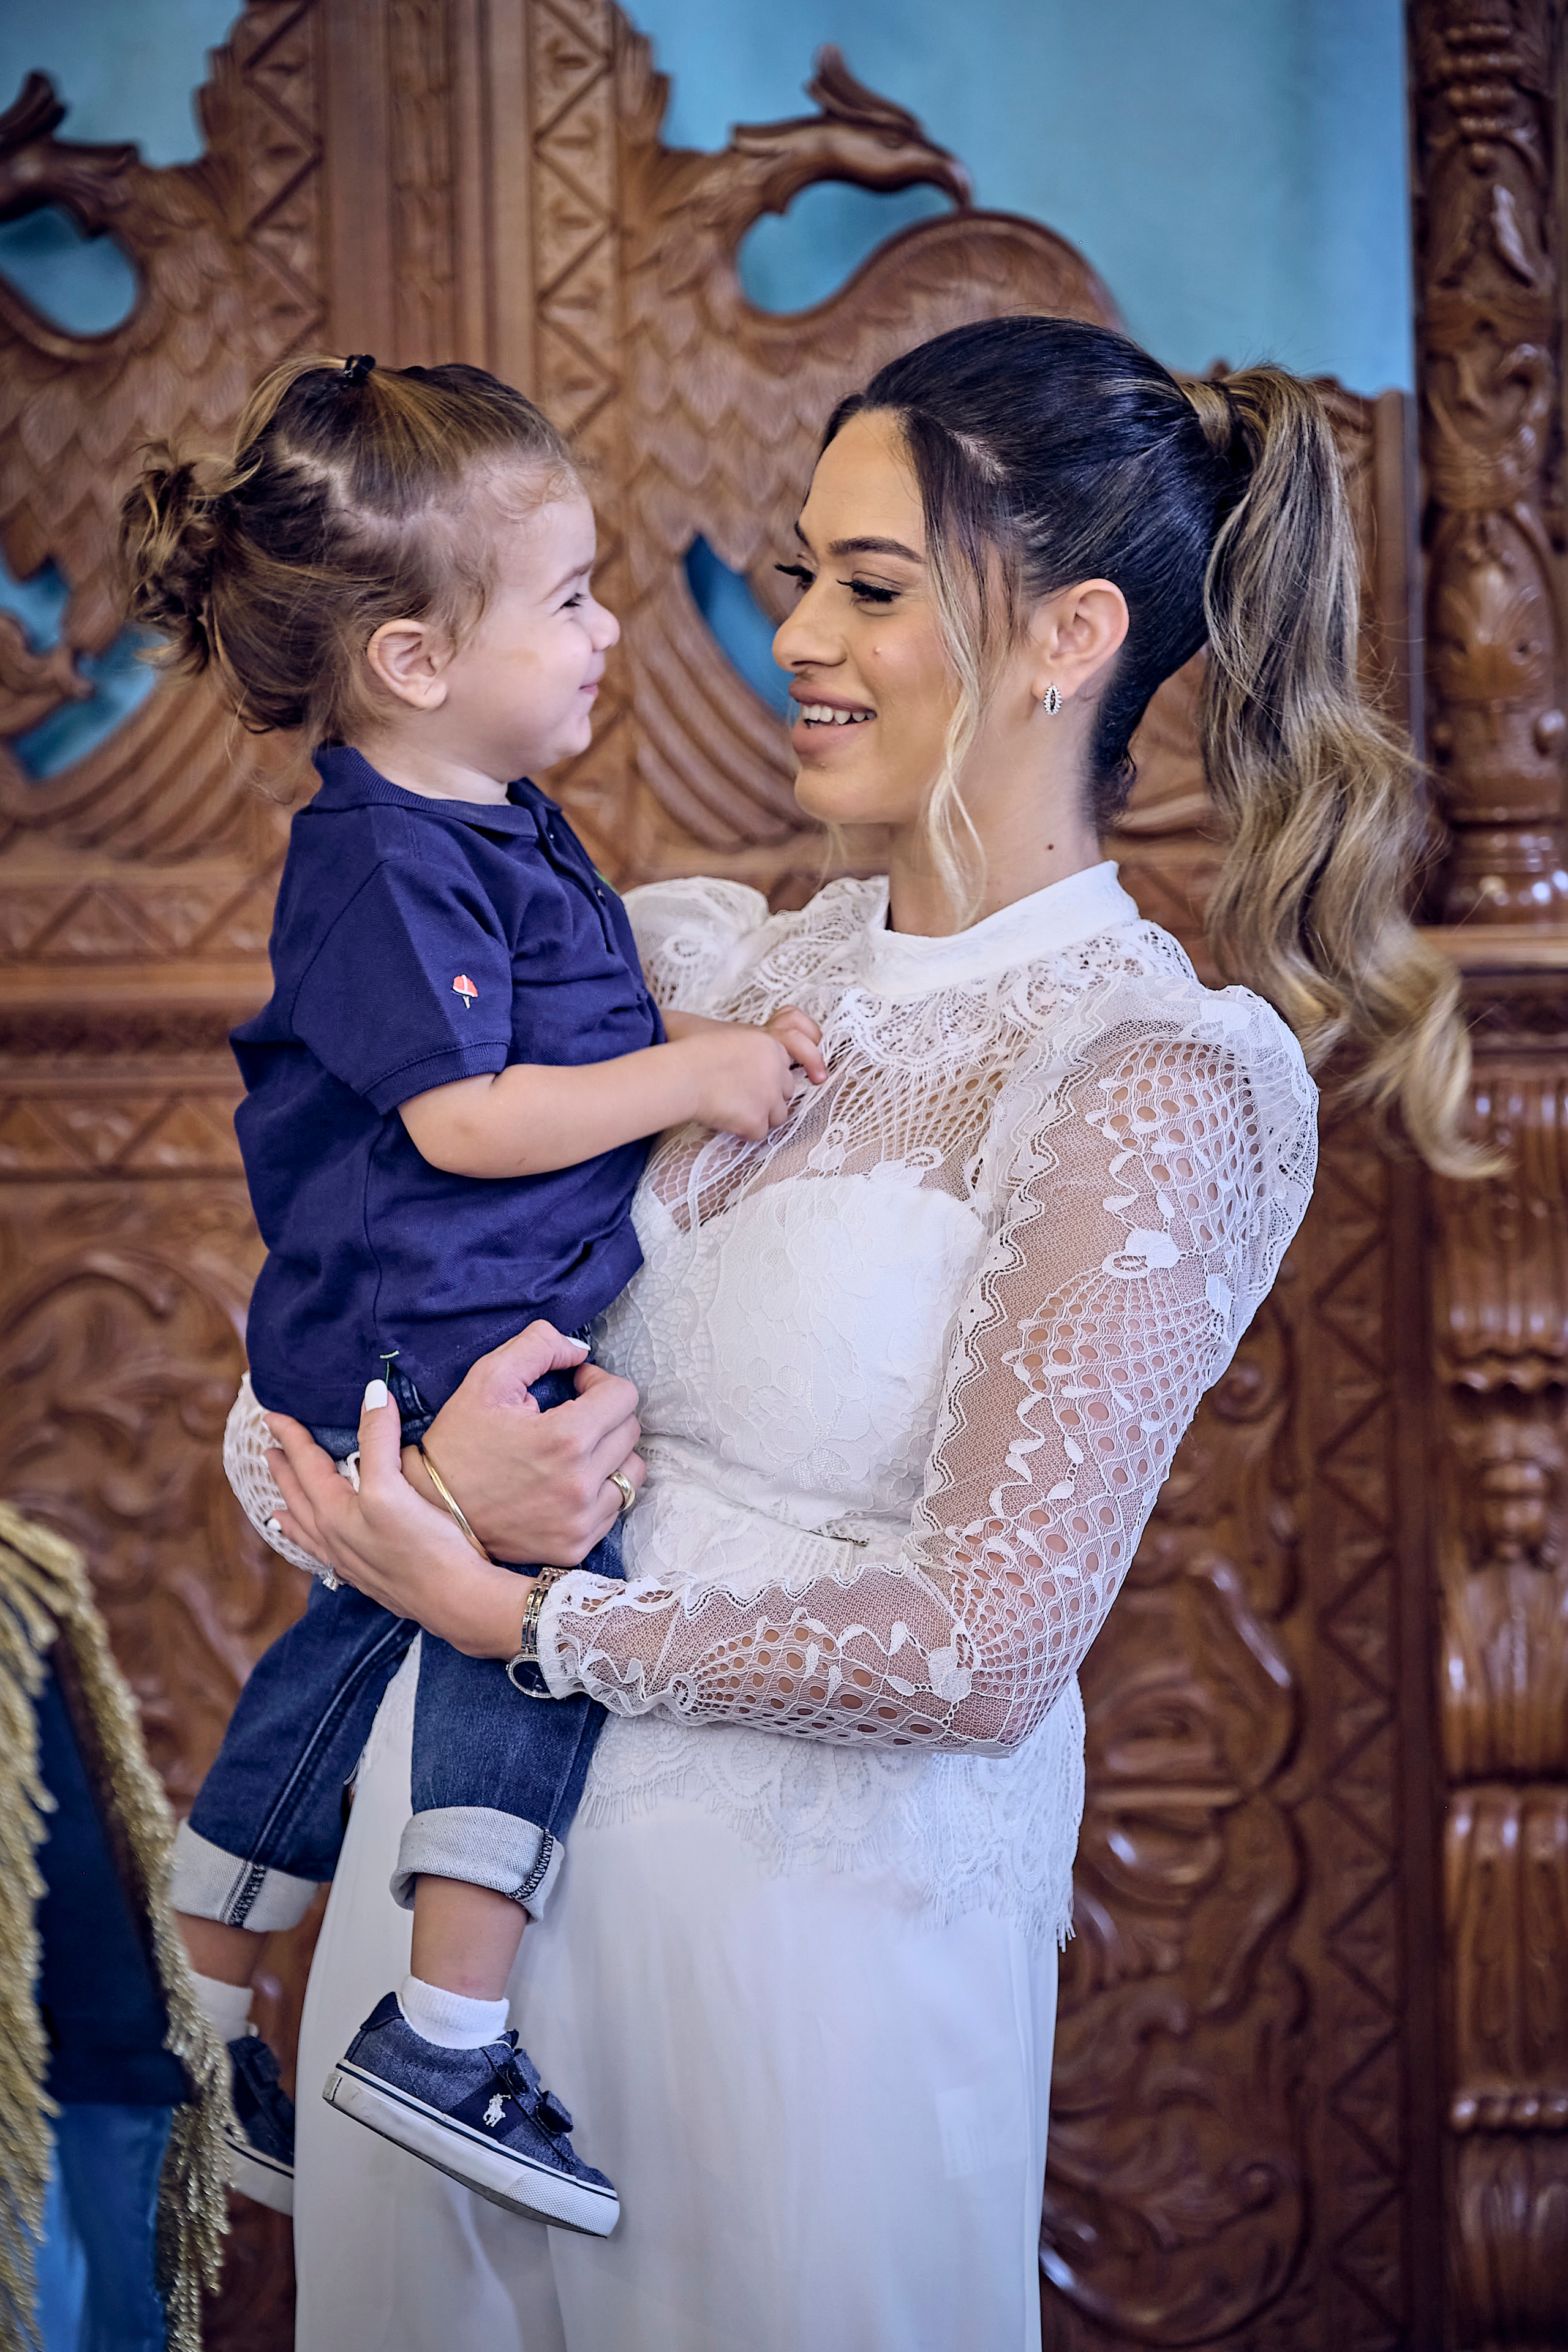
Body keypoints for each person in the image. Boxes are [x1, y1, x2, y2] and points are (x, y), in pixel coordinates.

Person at [250, 317, 1476, 2351]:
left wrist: (526, 1619)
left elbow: (986, 1648)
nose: (798, 634)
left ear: (1073, 636)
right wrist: (429, 1483)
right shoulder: (678, 964)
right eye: (804, 570)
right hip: (438, 1948)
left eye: (873, 587)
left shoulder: (1145, 1072)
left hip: (801, 1991)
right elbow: (298, 1363)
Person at [119, 355, 826, 2236]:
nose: (610, 632)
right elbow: (466, 1117)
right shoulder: (386, 856)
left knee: (355, 1643)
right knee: (530, 1611)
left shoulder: (480, 809)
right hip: (422, 1323)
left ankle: (192, 2014)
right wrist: (692, 1077)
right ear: (416, 660)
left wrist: (685, 1054)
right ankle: (445, 2026)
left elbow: (535, 1052)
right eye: (571, 598)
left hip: (446, 1308)